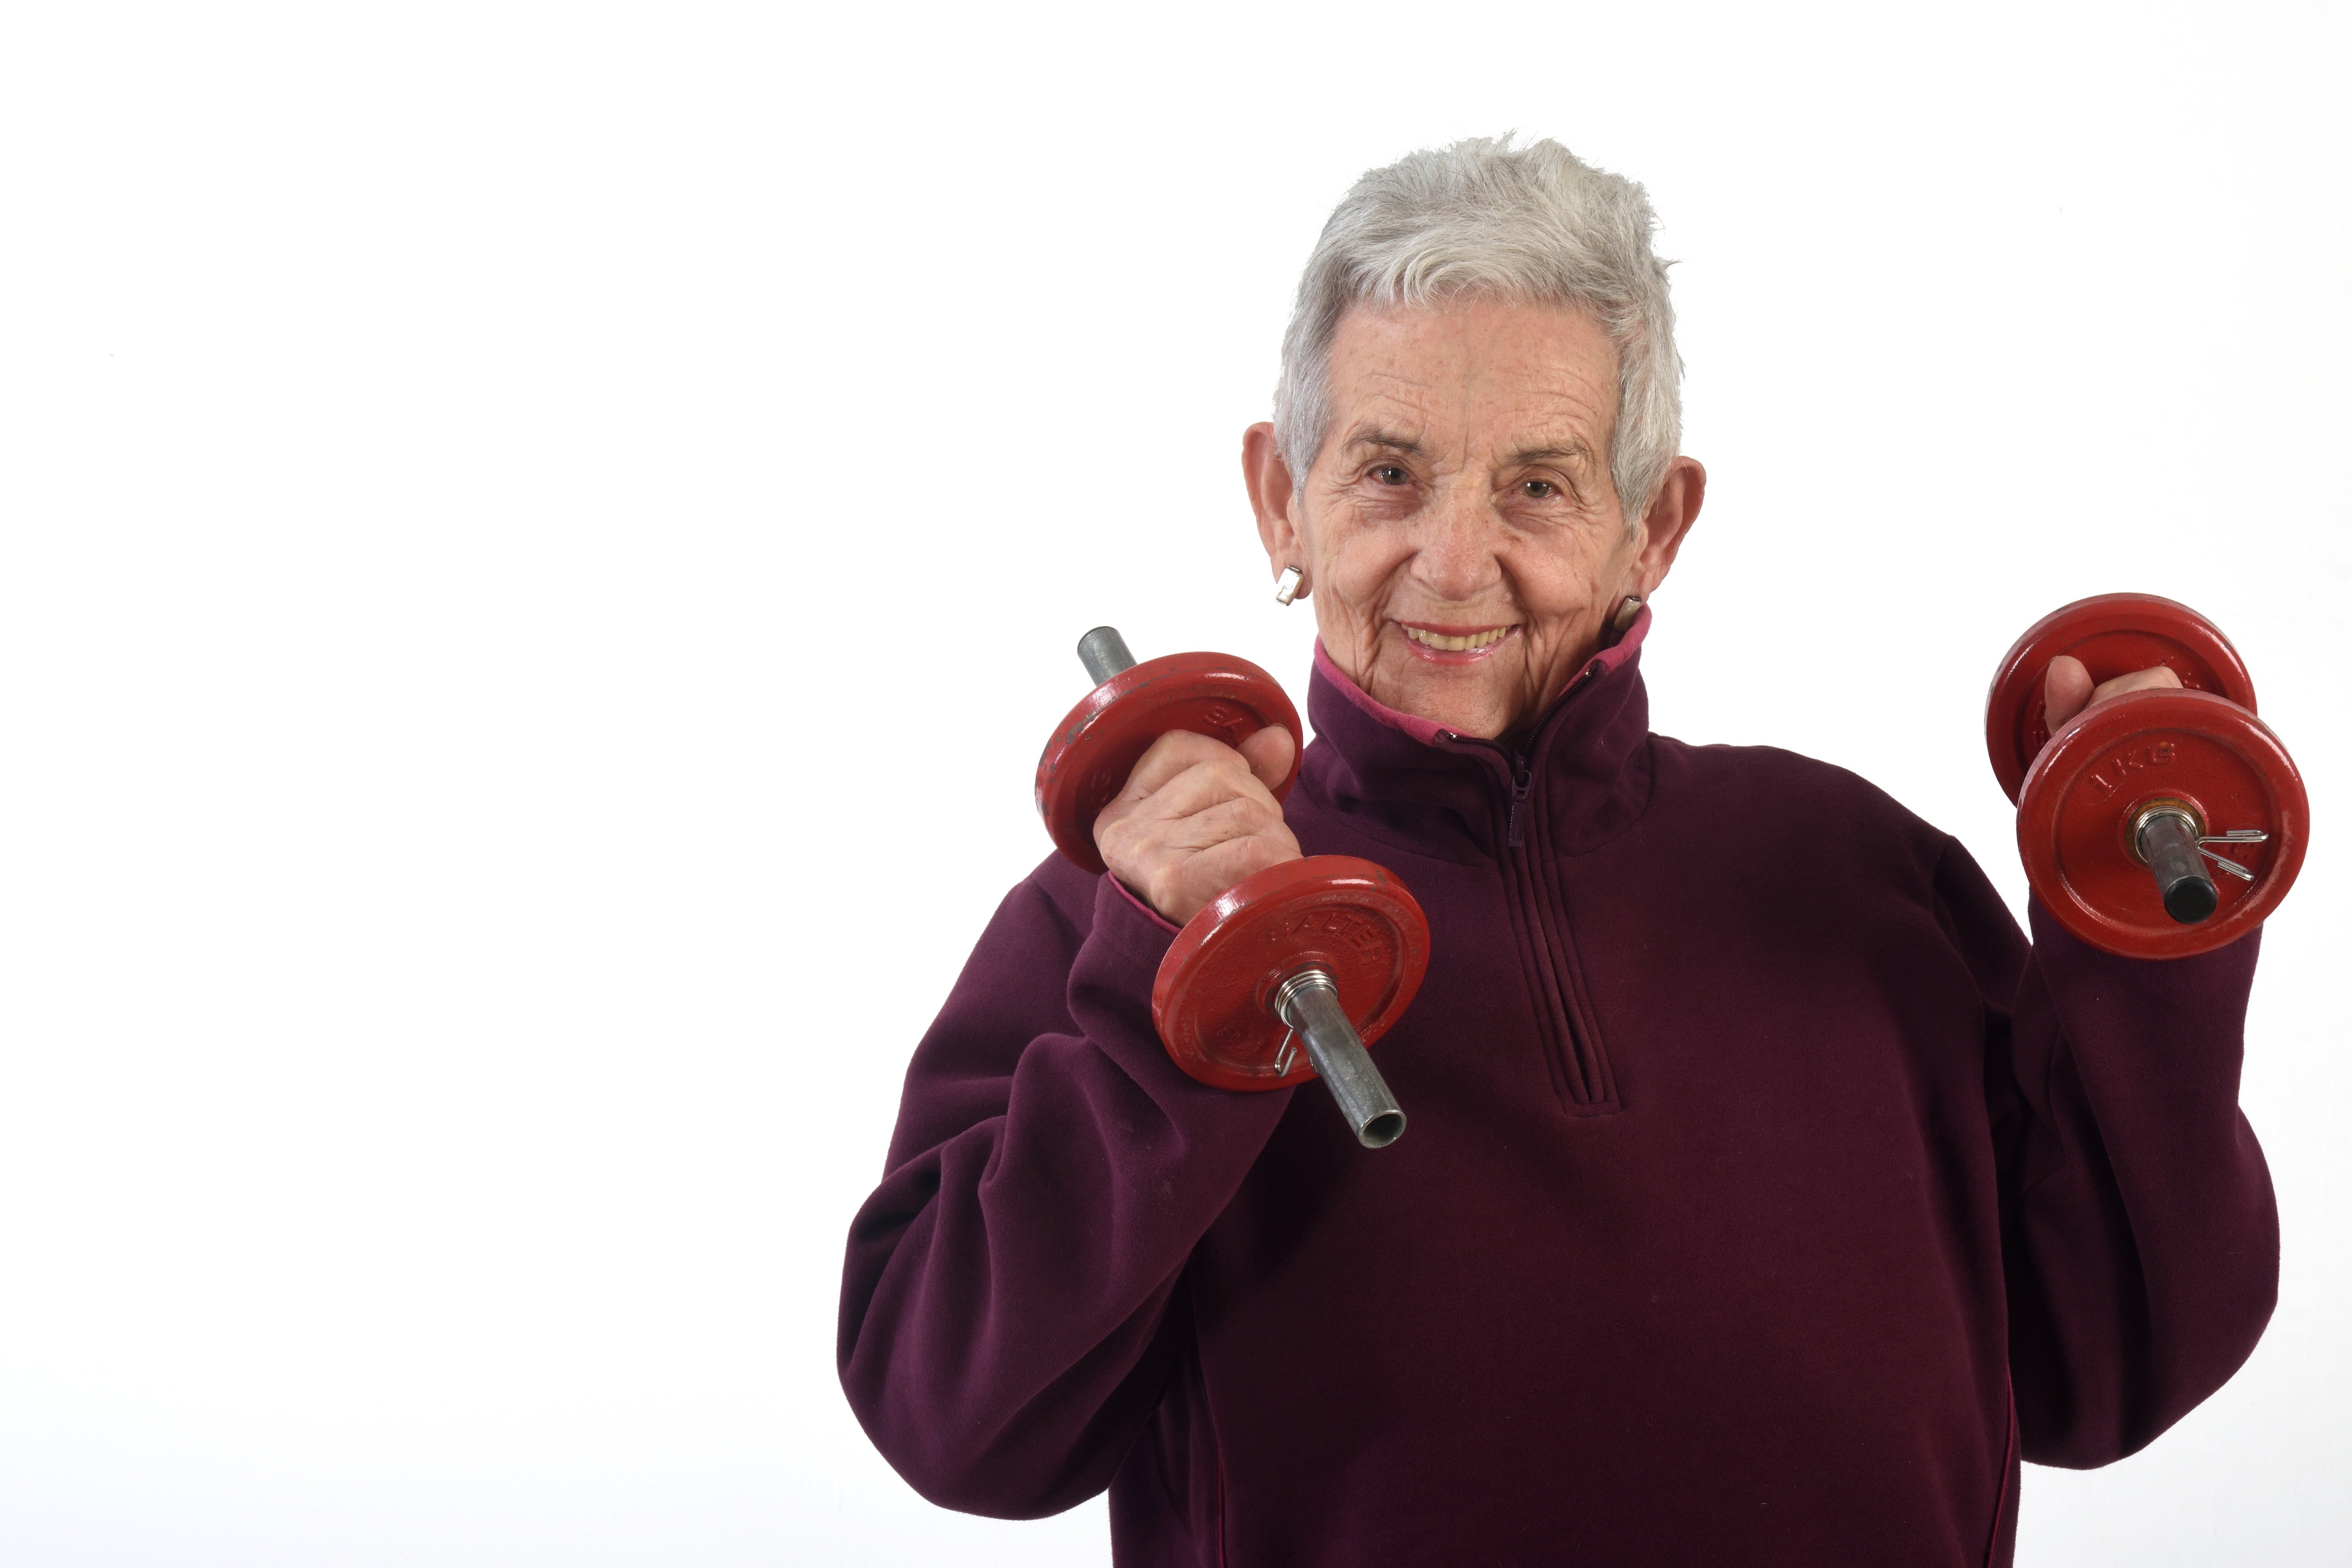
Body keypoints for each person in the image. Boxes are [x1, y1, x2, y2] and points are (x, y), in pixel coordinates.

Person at [835, 136, 2276, 1566]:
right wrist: (1166, 1013)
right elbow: (950, 1419)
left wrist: (2150, 944)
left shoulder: (1855, 872)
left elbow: (2116, 1365)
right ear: (1285, 499)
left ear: (1653, 525)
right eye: (1390, 475)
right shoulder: (1133, 909)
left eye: (1537, 486)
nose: (1454, 567)